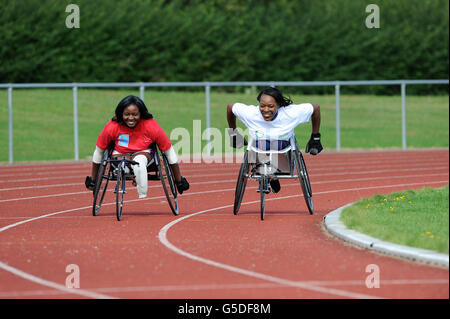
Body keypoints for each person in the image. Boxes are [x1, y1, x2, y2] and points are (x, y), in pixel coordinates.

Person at [85, 95, 189, 198]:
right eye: (126, 114)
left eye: (135, 114)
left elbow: (169, 151)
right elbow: (99, 151)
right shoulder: (112, 126)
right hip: (120, 154)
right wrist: (93, 180)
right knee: (124, 161)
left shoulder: (151, 126)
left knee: (139, 162)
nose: (130, 118)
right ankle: (125, 168)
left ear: (141, 114)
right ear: (121, 114)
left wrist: (178, 180)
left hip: (144, 153)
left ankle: (141, 191)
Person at [226, 86, 322, 193]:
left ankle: (270, 174)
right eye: (262, 106)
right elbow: (230, 107)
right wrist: (233, 133)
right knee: (259, 146)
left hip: (283, 148)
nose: (266, 110)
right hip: (259, 148)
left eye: (271, 106)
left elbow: (316, 108)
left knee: (274, 145)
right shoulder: (251, 113)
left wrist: (315, 137)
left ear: (278, 105)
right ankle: (268, 174)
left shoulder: (291, 113)